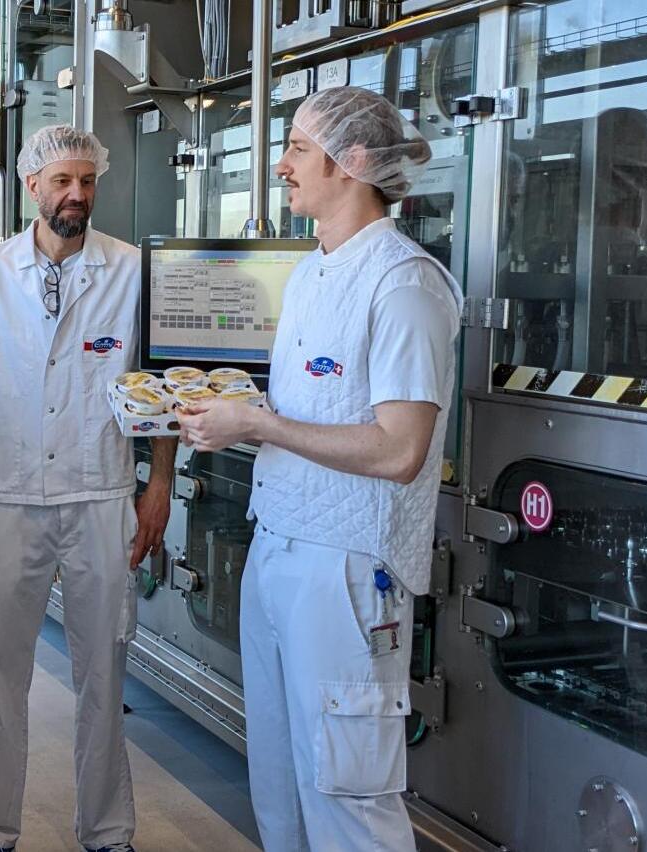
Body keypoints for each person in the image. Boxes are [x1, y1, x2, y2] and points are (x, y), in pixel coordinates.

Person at [177, 87, 463, 852]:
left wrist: (259, 422)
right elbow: (311, 402)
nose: (280, 167)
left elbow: (401, 450)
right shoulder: (311, 273)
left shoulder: (404, 284)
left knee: (347, 796)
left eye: (298, 149)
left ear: (354, 162)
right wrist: (232, 405)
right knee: (279, 783)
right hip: (277, 546)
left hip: (347, 570)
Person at [0, 125, 176, 852]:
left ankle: (107, 831)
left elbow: (160, 388)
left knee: (105, 674)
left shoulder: (132, 270)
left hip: (102, 495)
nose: (77, 195)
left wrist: (156, 483)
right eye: (62, 182)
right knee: (2, 676)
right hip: (7, 497)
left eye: (87, 182)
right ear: (32, 186)